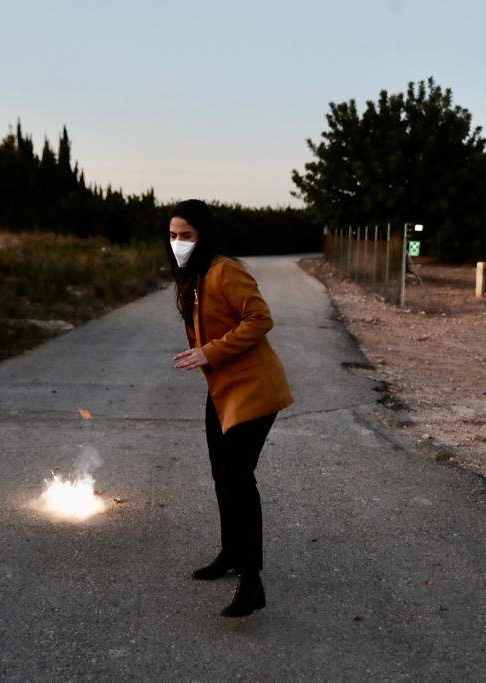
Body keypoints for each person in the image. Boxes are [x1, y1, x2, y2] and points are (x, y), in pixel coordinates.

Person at [167, 198, 294, 618]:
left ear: (203, 234)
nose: (178, 242)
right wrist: (205, 355)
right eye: (172, 235)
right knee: (222, 474)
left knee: (239, 479)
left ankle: (251, 579)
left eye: (186, 235)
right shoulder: (195, 275)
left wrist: (209, 352)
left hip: (253, 388)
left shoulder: (226, 269)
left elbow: (259, 319)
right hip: (222, 389)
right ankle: (229, 554)